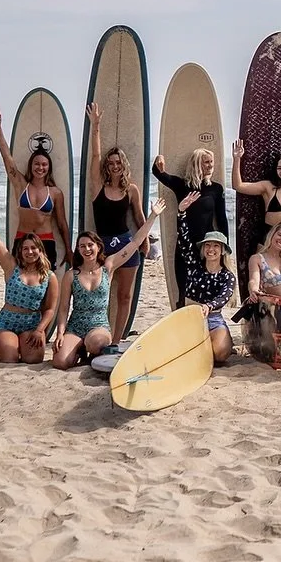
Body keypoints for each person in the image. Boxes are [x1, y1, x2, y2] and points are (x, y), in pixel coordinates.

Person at [53, 200, 166, 369]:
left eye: (90, 245)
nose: (87, 249)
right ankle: (79, 349)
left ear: (98, 247)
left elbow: (135, 242)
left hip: (98, 325)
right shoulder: (71, 275)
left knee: (97, 344)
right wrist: (60, 333)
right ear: (78, 250)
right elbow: (63, 308)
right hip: (75, 326)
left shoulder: (108, 266)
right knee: (60, 362)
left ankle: (89, 348)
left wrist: (153, 216)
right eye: (82, 246)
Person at [84, 103, 150, 339]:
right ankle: (97, 334)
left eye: (118, 162)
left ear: (123, 165)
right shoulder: (98, 187)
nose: (114, 166)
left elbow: (139, 216)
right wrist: (96, 126)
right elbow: (95, 155)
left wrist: (145, 241)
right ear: (106, 166)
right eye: (111, 163)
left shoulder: (131, 189)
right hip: (101, 247)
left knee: (125, 296)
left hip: (126, 245)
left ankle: (117, 339)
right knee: (98, 295)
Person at [0, 198, 57, 364]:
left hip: (32, 324)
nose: (29, 252)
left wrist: (40, 331)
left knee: (33, 359)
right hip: (7, 321)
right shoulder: (11, 267)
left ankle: (23, 343)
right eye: (25, 249)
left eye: (33, 248)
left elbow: (50, 309)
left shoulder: (49, 276)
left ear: (40, 250)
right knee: (10, 359)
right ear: (20, 251)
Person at [0, 106, 72, 269]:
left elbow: (62, 223)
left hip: (46, 241)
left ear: (49, 167)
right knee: (20, 281)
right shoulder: (21, 185)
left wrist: (68, 250)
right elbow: (7, 158)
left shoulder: (55, 193)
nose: (40, 168)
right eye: (37, 164)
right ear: (31, 166)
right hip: (22, 240)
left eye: (44, 165)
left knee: (46, 282)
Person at [153, 147, 228, 308]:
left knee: (205, 289)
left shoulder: (216, 189)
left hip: (206, 246)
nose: (210, 165)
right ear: (196, 164)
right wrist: (159, 159)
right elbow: (158, 173)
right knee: (183, 288)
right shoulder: (182, 185)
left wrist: (224, 246)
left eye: (211, 162)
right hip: (185, 244)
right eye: (206, 162)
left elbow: (222, 219)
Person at [231, 140, 281, 230]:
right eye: (279, 168)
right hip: (269, 236)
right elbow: (238, 186)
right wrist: (237, 159)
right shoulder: (268, 187)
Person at [184, 231, 237, 365]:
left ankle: (224, 342)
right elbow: (184, 241)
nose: (211, 249)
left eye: (216, 246)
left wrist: (209, 305)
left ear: (223, 250)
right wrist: (181, 217)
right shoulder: (194, 268)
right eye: (207, 245)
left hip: (213, 318)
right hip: (190, 316)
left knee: (220, 353)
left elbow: (224, 296)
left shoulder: (227, 276)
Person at [246, 218, 281, 305]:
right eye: (280, 235)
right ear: (272, 234)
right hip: (277, 309)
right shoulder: (257, 259)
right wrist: (253, 290)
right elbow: (253, 280)